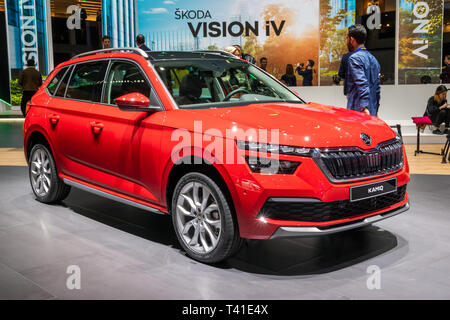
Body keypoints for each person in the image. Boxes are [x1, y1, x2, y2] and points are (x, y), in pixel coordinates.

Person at [345, 24, 381, 116]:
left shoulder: (354, 58)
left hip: (358, 110)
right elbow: (377, 89)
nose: (346, 41)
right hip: (372, 109)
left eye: (347, 37)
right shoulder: (373, 59)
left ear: (352, 40)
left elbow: (362, 83)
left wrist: (364, 107)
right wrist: (376, 110)